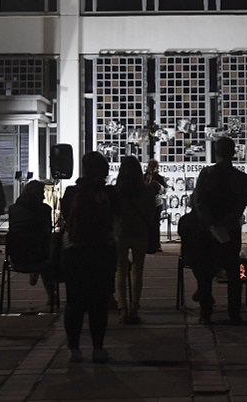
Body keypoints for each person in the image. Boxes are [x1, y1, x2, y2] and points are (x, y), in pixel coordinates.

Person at [60, 151, 117, 364]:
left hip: (75, 253)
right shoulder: (109, 193)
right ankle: (98, 349)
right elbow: (115, 219)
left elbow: (66, 218)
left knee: (74, 303)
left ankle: (74, 349)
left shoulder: (71, 192)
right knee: (99, 304)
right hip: (101, 252)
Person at [189, 137, 247, 325]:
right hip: (230, 229)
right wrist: (227, 221)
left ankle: (206, 312)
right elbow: (241, 203)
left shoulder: (207, 174)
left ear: (216, 152)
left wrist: (210, 222)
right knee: (233, 272)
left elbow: (199, 200)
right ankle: (234, 313)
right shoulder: (240, 177)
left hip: (208, 230)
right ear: (233, 153)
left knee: (206, 273)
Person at [113, 156, 158, 325]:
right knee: (138, 270)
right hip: (140, 232)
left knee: (121, 270)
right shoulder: (147, 191)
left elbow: (113, 214)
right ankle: (134, 309)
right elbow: (151, 213)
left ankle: (122, 308)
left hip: (121, 232)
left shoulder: (117, 191)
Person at [7, 180, 54, 302]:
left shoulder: (13, 209)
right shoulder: (45, 210)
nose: (44, 197)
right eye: (42, 193)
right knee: (49, 252)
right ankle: (51, 294)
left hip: (17, 256)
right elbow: (48, 233)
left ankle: (37, 272)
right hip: (40, 256)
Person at [144, 159, 168, 253]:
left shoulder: (160, 178)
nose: (152, 168)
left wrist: (158, 185)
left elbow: (164, 191)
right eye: (150, 166)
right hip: (146, 203)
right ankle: (147, 244)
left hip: (156, 203)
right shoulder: (143, 176)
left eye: (154, 166)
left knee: (155, 224)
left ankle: (156, 244)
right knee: (147, 224)